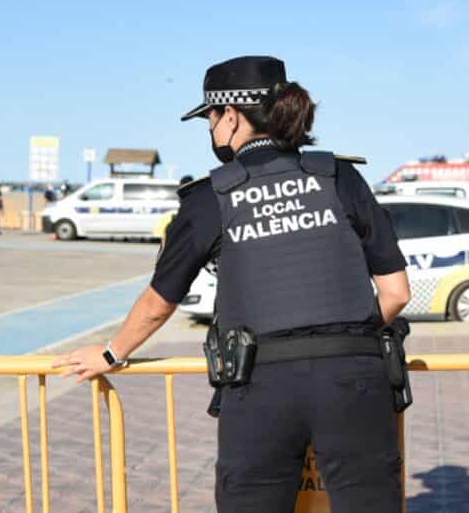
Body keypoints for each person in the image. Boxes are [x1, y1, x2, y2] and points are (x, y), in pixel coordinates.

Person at [53, 55, 412, 512]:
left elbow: (159, 304)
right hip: (355, 379)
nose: (209, 131)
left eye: (209, 119)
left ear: (232, 116)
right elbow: (397, 292)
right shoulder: (340, 177)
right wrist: (343, 335)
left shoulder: (210, 198)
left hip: (260, 384)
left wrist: (110, 353)